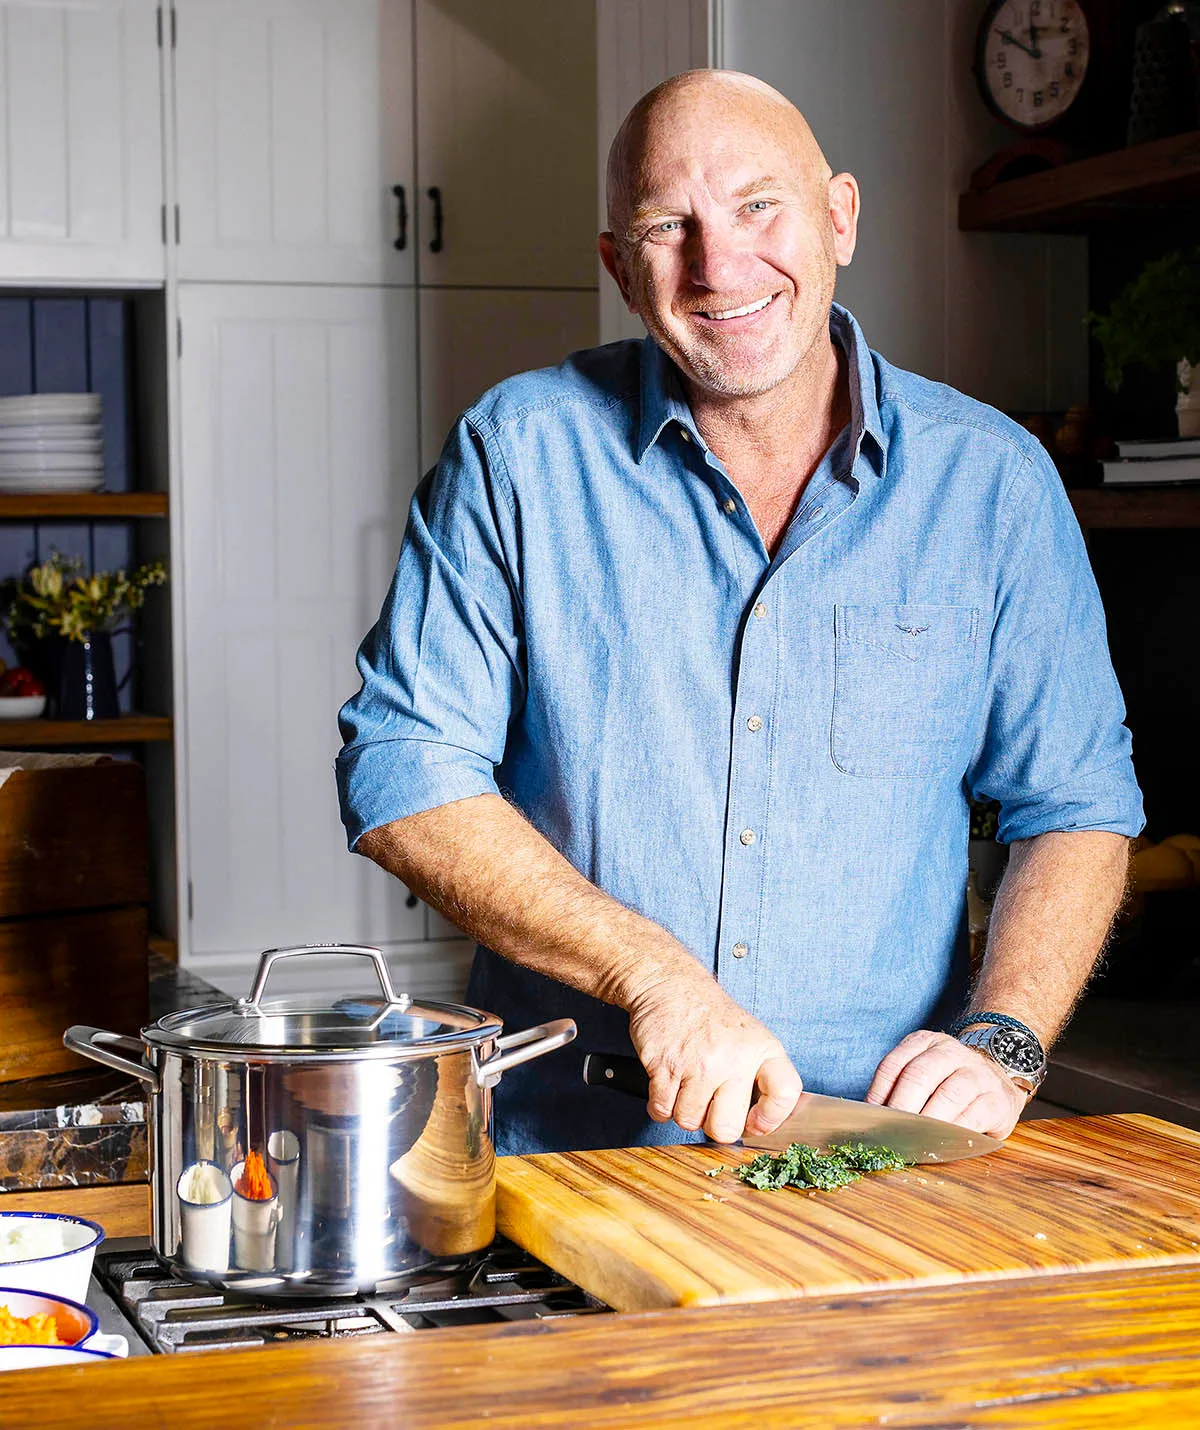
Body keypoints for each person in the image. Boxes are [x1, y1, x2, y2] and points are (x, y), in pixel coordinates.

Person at [336, 70, 1141, 1157]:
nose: (719, 265)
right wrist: (651, 973)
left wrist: (1006, 1036)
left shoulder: (995, 485)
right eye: (669, 227)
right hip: (575, 1159)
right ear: (622, 269)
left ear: (839, 217)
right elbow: (403, 766)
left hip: (877, 1156)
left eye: (759, 204)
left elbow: (1076, 803)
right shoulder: (516, 456)